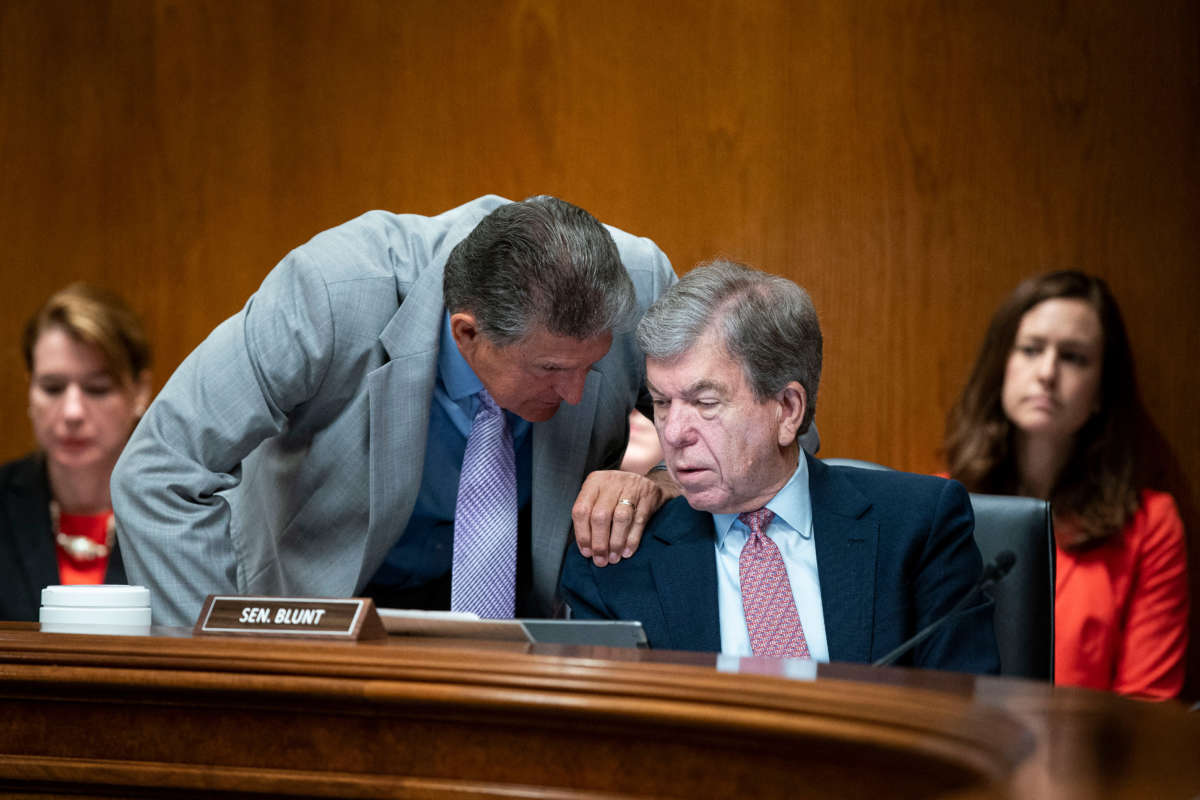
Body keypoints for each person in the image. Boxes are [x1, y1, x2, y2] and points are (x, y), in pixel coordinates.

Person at [112, 195, 682, 627]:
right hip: (322, 604)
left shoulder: (642, 283)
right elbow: (164, 468)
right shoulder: (332, 293)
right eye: (551, 370)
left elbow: (725, 455)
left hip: (527, 625)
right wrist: (219, 674)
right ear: (468, 333)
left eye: (593, 365)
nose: (579, 394)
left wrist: (658, 480)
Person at [561, 260, 1000, 673]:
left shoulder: (918, 527)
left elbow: (965, 714)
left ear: (787, 409)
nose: (673, 433)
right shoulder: (615, 562)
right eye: (660, 403)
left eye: (705, 403)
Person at [944, 270, 1189, 699]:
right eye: (1031, 349)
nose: (1047, 372)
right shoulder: (939, 506)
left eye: (1073, 357)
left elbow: (1146, 708)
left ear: (1101, 392)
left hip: (1090, 763)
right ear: (1003, 365)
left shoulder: (1150, 526)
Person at [1, 284, 151, 621]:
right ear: (29, 389)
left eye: (97, 389)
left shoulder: (180, 511)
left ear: (140, 392)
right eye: (52, 388)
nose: (72, 412)